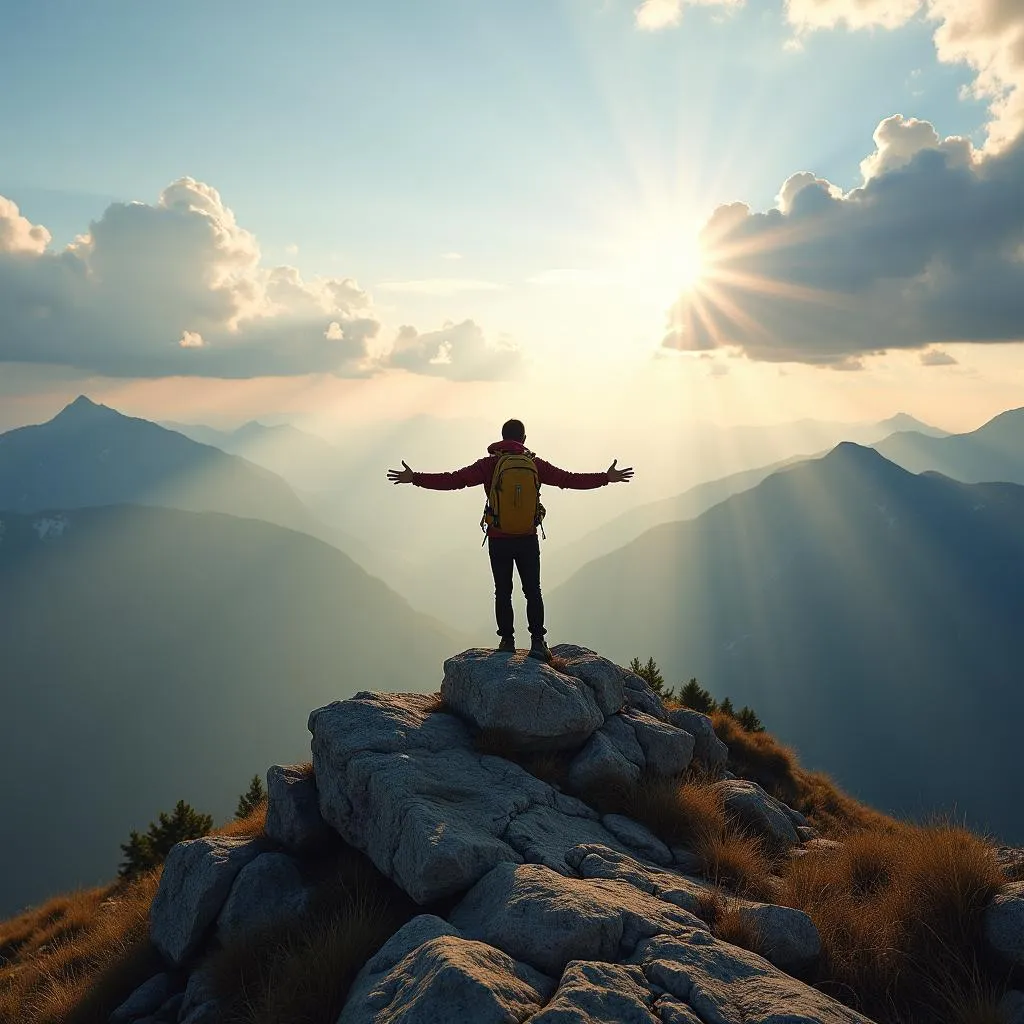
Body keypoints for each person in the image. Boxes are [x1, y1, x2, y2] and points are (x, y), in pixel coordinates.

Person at [387, 418, 634, 662]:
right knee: (532, 591)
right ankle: (538, 642)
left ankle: (507, 642)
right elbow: (568, 479)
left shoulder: (489, 465)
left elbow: (455, 480)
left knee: (503, 591)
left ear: (502, 438)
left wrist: (416, 478)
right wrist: (605, 477)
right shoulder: (534, 464)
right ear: (524, 439)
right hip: (527, 537)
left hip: (498, 538)